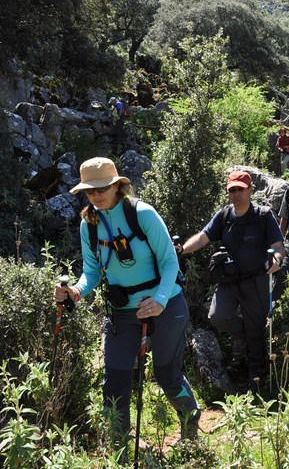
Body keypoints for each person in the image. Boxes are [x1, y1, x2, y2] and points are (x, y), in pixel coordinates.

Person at [53, 157, 200, 441]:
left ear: (117, 186)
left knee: (167, 375)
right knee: (115, 377)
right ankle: (119, 441)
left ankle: (191, 425)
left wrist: (158, 300)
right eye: (90, 190)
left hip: (167, 306)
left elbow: (170, 262)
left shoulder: (142, 214)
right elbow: (92, 271)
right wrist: (76, 291)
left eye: (102, 188)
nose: (96, 195)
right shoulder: (89, 225)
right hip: (122, 312)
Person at [176, 171, 285, 392]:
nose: (236, 194)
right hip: (229, 281)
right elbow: (203, 237)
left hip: (256, 281)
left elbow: (278, 246)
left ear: (250, 190)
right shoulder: (224, 216)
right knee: (218, 316)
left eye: (240, 189)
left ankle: (255, 378)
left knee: (256, 330)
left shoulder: (263, 216)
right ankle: (246, 337)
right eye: (232, 190)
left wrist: (277, 259)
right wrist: (181, 250)